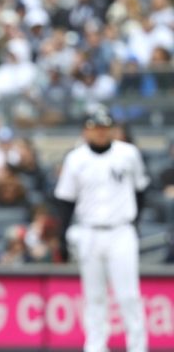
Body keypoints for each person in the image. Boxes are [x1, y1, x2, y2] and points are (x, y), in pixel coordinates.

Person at [54, 108, 149, 352]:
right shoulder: (76, 158)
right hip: (89, 231)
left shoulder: (128, 154)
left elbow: (141, 190)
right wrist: (61, 239)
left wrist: (134, 224)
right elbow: (65, 201)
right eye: (95, 127)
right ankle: (95, 347)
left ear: (111, 129)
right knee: (94, 296)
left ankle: (137, 347)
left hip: (121, 230)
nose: (100, 132)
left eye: (104, 127)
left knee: (128, 295)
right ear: (86, 129)